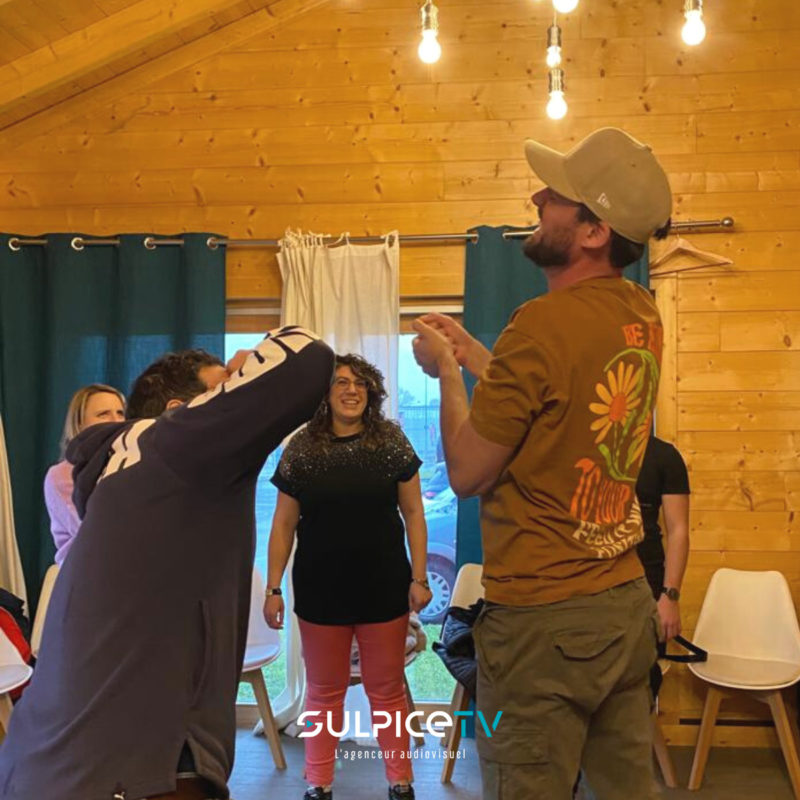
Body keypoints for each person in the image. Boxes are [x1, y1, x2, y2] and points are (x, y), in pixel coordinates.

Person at [411, 127, 672, 799]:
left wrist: (447, 374)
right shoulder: (641, 313)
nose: (536, 198)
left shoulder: (541, 323)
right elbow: (559, 402)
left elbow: (469, 473)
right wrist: (476, 355)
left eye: (555, 195)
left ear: (594, 231)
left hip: (543, 621)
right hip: (623, 602)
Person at [0, 328, 334, 800]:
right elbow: (307, 356)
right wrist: (249, 360)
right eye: (223, 389)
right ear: (180, 412)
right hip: (130, 771)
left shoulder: (125, 474)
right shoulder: (174, 446)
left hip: (44, 763)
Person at [264, 354, 432, 800]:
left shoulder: (391, 442)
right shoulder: (302, 447)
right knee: (323, 692)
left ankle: (400, 783)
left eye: (360, 383)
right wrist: (273, 587)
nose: (351, 390)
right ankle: (318, 784)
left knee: (386, 689)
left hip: (384, 588)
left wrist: (419, 577)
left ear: (371, 392)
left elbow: (414, 513)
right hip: (320, 592)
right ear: (325, 392)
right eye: (340, 382)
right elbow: (283, 524)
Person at [44, 383, 126, 565]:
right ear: (80, 423)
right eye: (103, 414)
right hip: (87, 573)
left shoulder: (129, 464)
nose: (116, 421)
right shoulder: (62, 474)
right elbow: (96, 532)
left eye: (120, 413)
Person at [636, 435, 690, 639]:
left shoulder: (664, 455)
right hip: (589, 583)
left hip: (647, 579)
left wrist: (670, 597)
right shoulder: (583, 449)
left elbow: (678, 530)